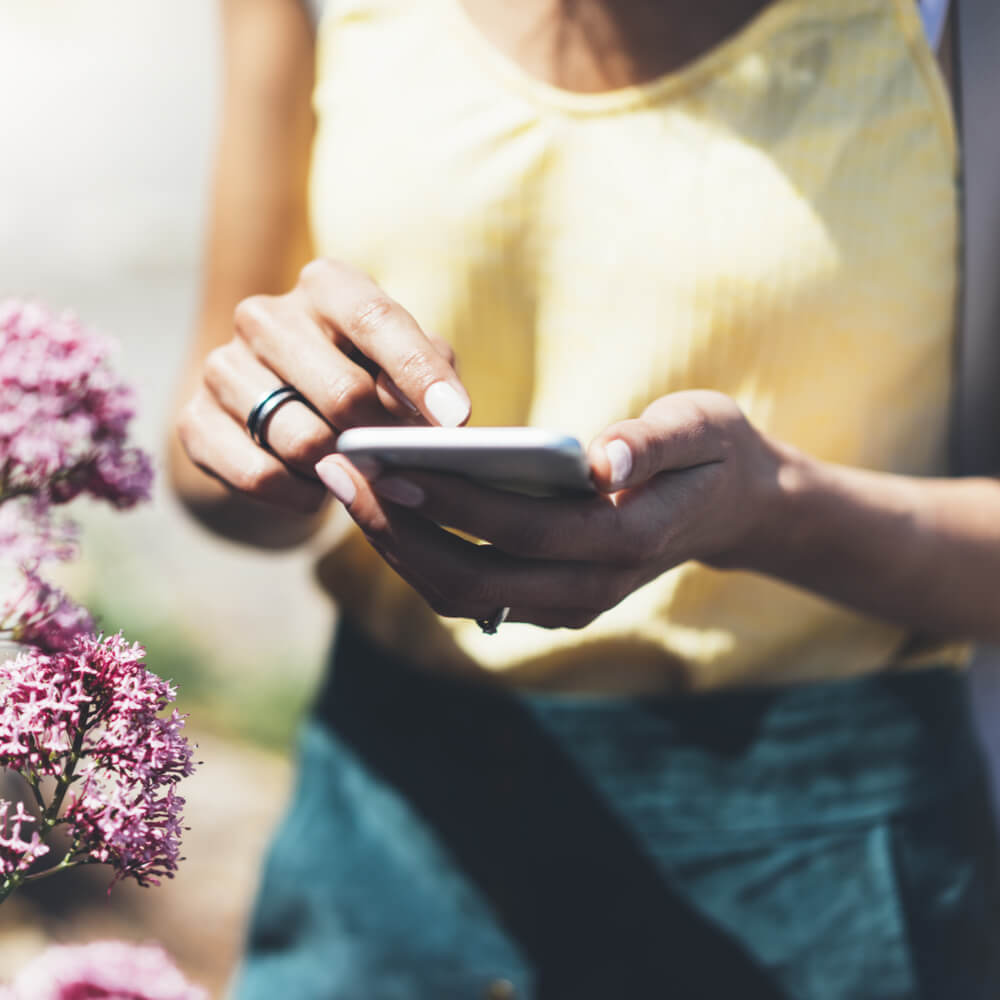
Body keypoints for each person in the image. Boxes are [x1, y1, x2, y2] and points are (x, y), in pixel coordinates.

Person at [170, 0, 1000, 996]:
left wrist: (774, 508)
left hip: (817, 851)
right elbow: (204, 471)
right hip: (383, 813)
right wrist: (269, 427)